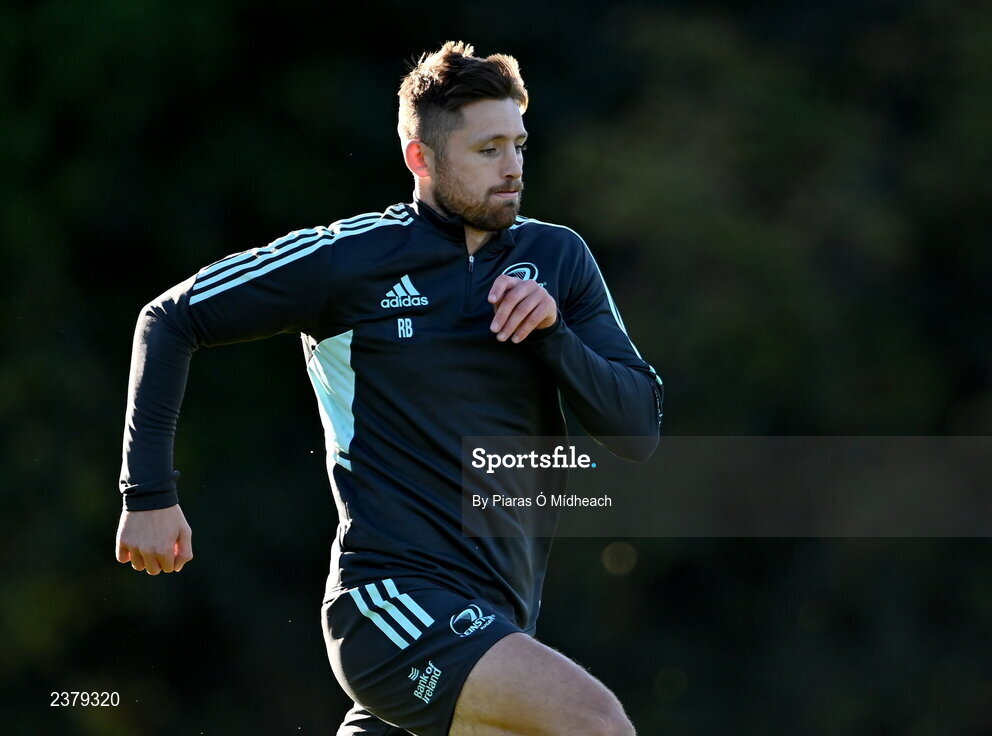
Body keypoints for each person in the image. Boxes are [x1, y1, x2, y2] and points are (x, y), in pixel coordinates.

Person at [115, 41, 663, 736]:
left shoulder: (559, 258)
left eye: (519, 145)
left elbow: (639, 430)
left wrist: (555, 336)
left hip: (498, 619)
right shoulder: (352, 259)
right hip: (389, 600)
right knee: (596, 723)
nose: (515, 168)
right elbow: (169, 319)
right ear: (422, 160)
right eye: (489, 149)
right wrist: (149, 495)